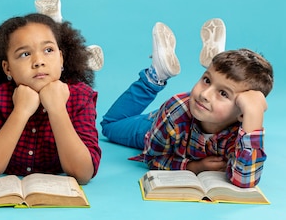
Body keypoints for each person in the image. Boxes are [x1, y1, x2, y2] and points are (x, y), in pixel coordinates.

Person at [100, 19, 273, 188]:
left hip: (197, 117)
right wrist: (195, 167)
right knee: (110, 125)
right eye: (206, 80)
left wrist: (254, 114)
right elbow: (154, 158)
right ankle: (156, 76)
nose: (204, 94)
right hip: (158, 125)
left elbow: (245, 180)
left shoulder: (243, 128)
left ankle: (216, 64)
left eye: (223, 93)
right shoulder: (175, 110)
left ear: (242, 112)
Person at [0, 13, 101, 184]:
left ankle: (55, 19)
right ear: (7, 68)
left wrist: (57, 109)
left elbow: (83, 173)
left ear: (60, 58)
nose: (38, 61)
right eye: (24, 54)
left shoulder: (81, 97)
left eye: (48, 50)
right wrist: (21, 111)